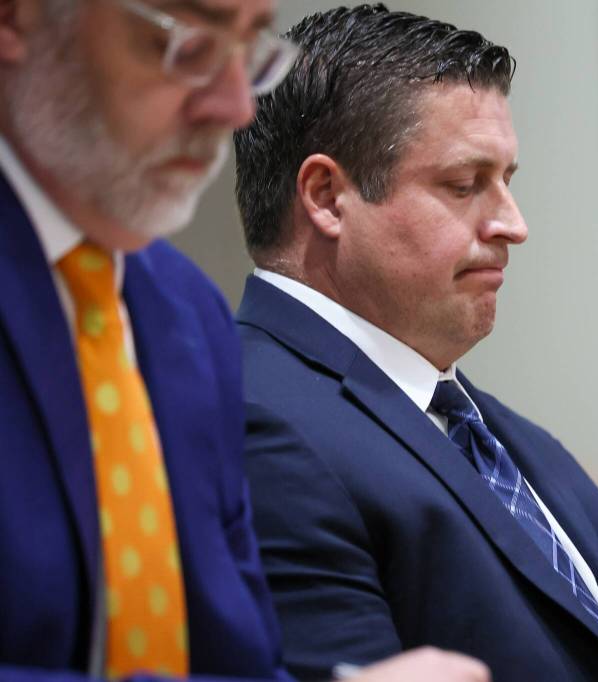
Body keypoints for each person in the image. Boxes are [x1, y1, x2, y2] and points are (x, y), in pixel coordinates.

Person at [0, 0, 487, 680]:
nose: (235, 106)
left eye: (251, 51)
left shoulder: (186, 312)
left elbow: (240, 660)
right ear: (17, 21)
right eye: (189, 45)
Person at [234, 5, 598, 682]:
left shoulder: (514, 439)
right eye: (464, 185)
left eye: (508, 181)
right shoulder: (259, 420)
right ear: (328, 197)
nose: (514, 225)